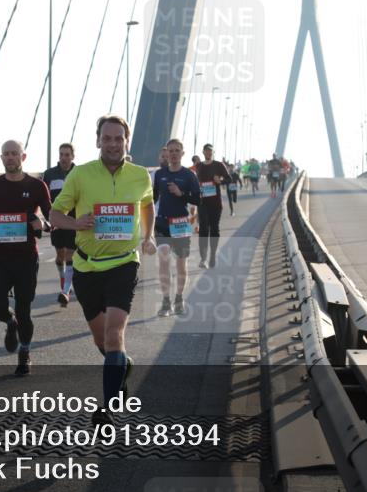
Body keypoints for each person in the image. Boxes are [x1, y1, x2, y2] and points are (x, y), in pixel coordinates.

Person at [50, 115, 156, 425]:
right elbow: (56, 214)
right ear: (98, 141)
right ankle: (122, 365)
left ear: (127, 141)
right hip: (86, 266)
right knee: (103, 342)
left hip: (124, 263)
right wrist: (76, 223)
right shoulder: (81, 175)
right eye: (106, 138)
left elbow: (147, 204)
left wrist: (147, 236)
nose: (112, 143)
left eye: (118, 138)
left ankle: (107, 409)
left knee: (113, 335)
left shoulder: (140, 176)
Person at [0, 140, 51, 376]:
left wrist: (44, 224)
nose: (10, 158)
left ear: (23, 157)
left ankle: (25, 353)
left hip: (26, 258)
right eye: (6, 154)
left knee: (24, 309)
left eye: (14, 154)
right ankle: (10, 323)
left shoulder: (38, 186)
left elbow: (52, 219)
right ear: (1, 158)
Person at [151, 138, 200, 316]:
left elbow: (197, 199)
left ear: (182, 153)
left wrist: (182, 194)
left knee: (181, 265)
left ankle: (179, 298)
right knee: (164, 260)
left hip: (181, 224)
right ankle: (166, 302)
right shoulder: (159, 174)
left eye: (176, 151)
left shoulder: (189, 175)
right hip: (163, 222)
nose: (173, 154)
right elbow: (153, 199)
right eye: (170, 151)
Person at [42, 143, 76, 306]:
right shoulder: (49, 174)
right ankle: (64, 277)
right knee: (60, 254)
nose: (64, 157)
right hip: (56, 220)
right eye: (62, 154)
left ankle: (66, 290)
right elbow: (44, 199)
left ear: (72, 156)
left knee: (70, 253)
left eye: (67, 154)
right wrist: (48, 218)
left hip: (74, 220)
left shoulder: (78, 173)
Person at [195, 143, 232, 268]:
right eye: (206, 151)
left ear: (213, 152)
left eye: (210, 151)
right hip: (202, 203)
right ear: (203, 152)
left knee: (214, 229)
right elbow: (195, 182)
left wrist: (220, 181)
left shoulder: (219, 165)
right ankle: (203, 258)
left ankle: (212, 256)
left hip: (215, 203)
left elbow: (229, 179)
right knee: (203, 229)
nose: (208, 153)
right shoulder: (198, 166)